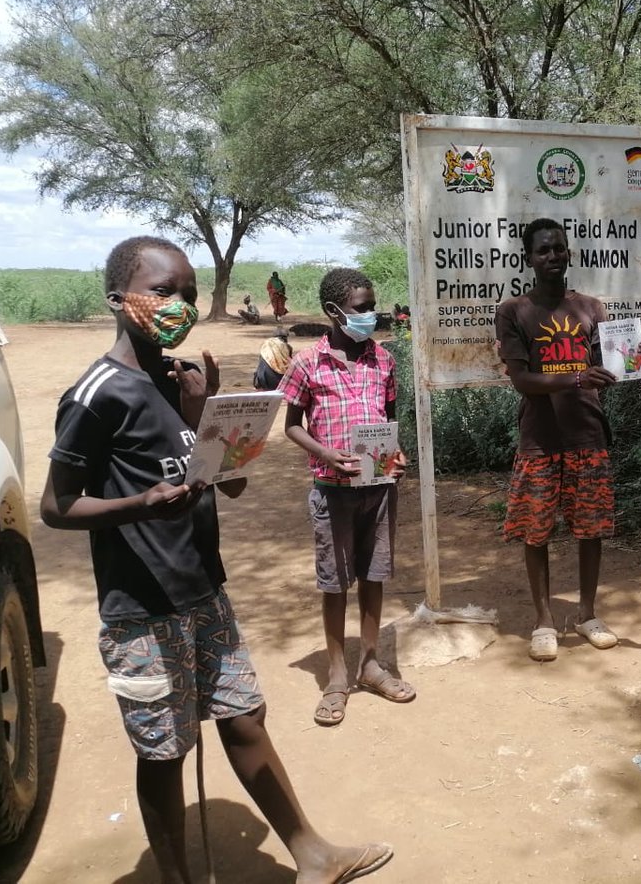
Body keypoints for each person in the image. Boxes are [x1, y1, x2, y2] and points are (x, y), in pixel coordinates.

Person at [40, 236, 392, 882]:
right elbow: (56, 506)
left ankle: (311, 855)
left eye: (190, 294)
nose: (179, 305)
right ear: (119, 299)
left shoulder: (179, 383)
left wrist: (207, 415)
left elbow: (227, 484)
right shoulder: (98, 394)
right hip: (141, 609)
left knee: (244, 715)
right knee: (165, 749)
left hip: (205, 588)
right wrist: (142, 504)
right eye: (163, 291)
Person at [279, 267, 415, 727]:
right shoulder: (307, 363)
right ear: (334, 312)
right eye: (361, 308)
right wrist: (325, 454)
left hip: (378, 488)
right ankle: (337, 675)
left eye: (372, 305)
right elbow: (292, 424)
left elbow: (389, 417)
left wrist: (396, 455)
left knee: (374, 575)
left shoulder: (384, 360)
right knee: (335, 583)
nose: (370, 314)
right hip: (332, 491)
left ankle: (371, 663)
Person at [495, 218, 619, 661]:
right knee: (536, 531)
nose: (552, 256)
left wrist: (631, 362)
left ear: (569, 253)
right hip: (540, 440)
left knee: (591, 529)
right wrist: (576, 376)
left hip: (588, 433)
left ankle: (587, 613)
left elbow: (609, 362)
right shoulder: (513, 311)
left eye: (559, 249)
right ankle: (544, 620)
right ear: (528, 257)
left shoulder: (590, 307)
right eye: (543, 250)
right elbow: (521, 380)